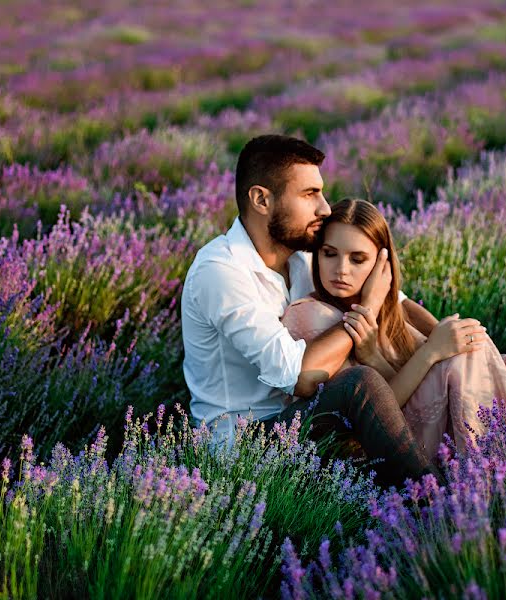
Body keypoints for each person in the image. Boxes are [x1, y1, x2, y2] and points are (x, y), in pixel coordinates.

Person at [181, 134, 452, 487]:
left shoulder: (300, 257)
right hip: (246, 445)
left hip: (303, 420)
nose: (325, 208)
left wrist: (445, 339)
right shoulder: (221, 271)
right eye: (310, 194)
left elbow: (394, 298)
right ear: (262, 199)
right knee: (359, 384)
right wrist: (366, 308)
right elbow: (301, 377)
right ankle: (433, 501)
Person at [281, 198, 506, 462]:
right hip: (388, 438)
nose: (341, 269)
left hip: (421, 414)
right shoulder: (314, 314)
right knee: (460, 357)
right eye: (329, 254)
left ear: (381, 264)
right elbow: (373, 410)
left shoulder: (386, 307)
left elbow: (406, 372)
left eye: (357, 259)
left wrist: (377, 354)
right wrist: (432, 350)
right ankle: (491, 465)